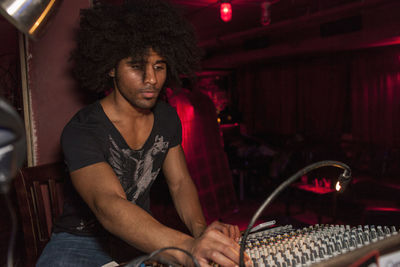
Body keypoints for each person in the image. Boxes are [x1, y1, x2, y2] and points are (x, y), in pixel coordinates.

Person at [36, 0, 248, 266]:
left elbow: (180, 183)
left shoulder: (167, 118)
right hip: (79, 243)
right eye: (137, 67)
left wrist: (199, 232)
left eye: (159, 67)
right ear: (111, 67)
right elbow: (108, 204)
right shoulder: (82, 129)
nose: (151, 79)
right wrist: (187, 246)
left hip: (136, 240)